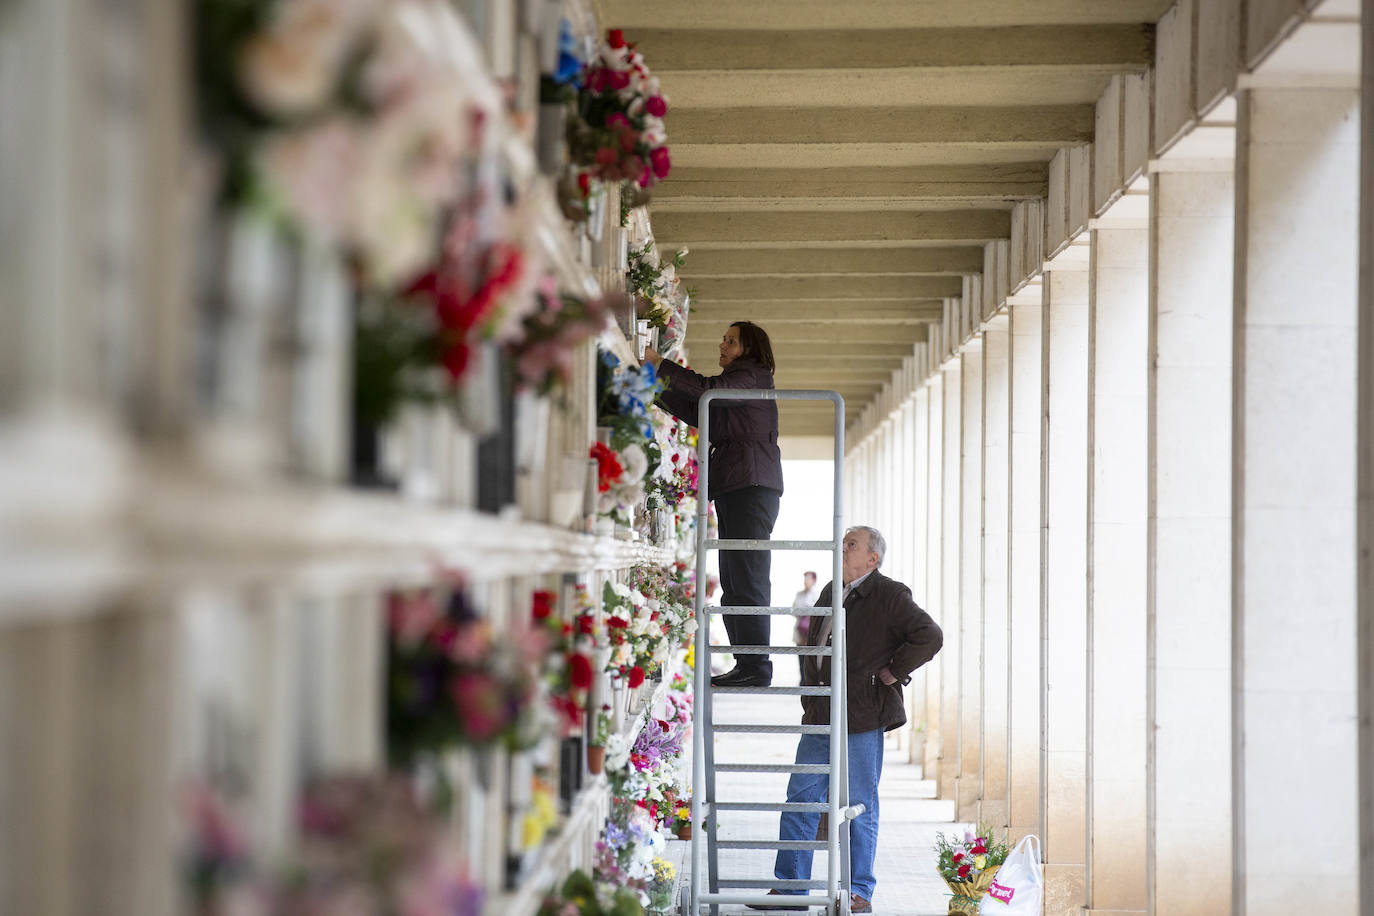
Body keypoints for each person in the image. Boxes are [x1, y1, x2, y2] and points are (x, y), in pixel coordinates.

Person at [753, 526, 942, 914]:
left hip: (860, 715)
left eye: (851, 545)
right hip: (821, 712)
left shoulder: (890, 593)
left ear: (872, 558)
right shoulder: (830, 589)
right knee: (801, 797)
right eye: (842, 543)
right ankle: (791, 888)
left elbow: (930, 635)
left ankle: (858, 891)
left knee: (859, 804)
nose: (842, 548)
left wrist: (893, 671)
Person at [641, 322, 783, 688]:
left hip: (750, 486)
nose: (722, 344)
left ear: (749, 349)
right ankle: (747, 662)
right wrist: (656, 387)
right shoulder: (736, 387)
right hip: (739, 485)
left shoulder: (751, 376)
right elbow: (697, 409)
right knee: (735, 580)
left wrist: (658, 364)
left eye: (730, 340)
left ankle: (757, 666)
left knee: (747, 577)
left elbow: (705, 390)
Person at [791, 571, 821, 679]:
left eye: (808, 578)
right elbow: (793, 611)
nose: (805, 581)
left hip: (811, 632)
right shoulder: (799, 594)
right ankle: (802, 680)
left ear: (814, 580)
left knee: (811, 659)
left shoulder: (818, 595)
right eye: (805, 578)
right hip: (800, 631)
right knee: (801, 658)